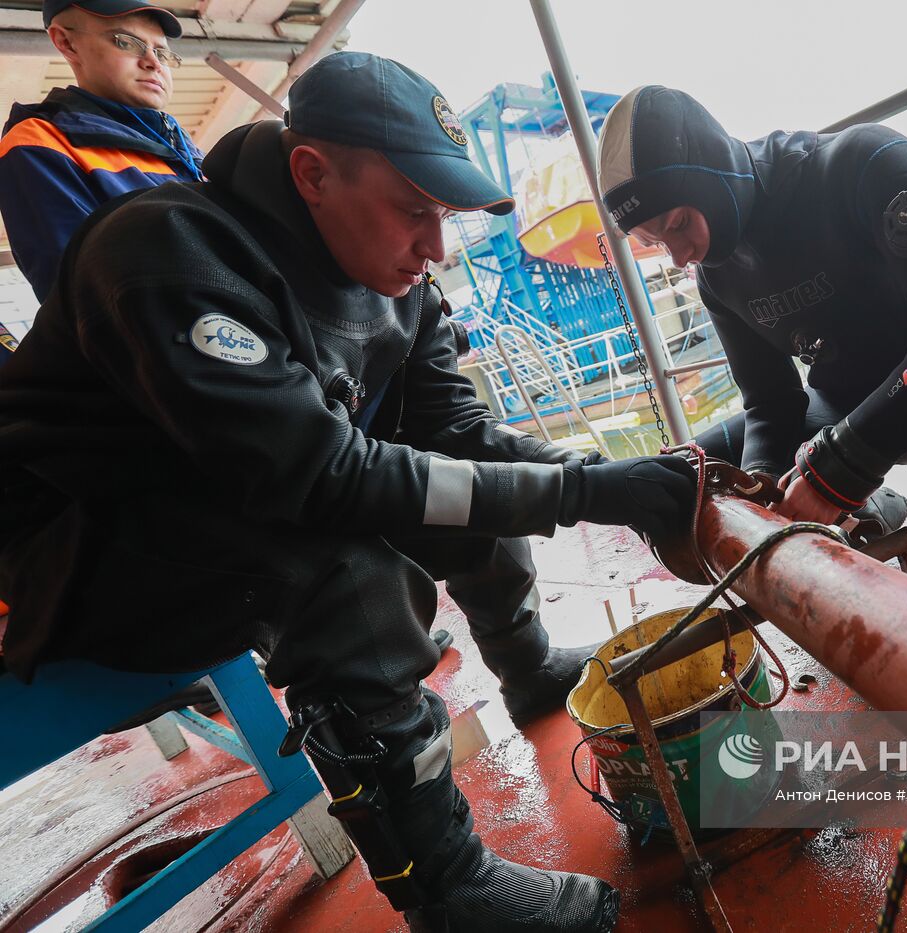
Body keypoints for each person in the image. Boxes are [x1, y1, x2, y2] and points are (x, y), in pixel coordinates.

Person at [0, 52, 702, 931]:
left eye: (442, 216)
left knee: (472, 488)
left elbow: (460, 439)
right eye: (415, 210)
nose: (434, 247)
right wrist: (590, 492)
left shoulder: (397, 279)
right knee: (344, 565)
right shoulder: (165, 253)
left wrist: (602, 478)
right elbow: (317, 477)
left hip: (210, 500)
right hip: (68, 552)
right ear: (312, 174)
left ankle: (525, 667)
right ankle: (450, 889)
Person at [597, 85, 907, 647]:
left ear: (714, 176)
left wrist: (842, 464)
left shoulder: (859, 166)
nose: (679, 255)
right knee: (693, 476)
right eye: (653, 242)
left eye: (677, 224)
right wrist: (765, 494)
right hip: (842, 403)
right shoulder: (719, 277)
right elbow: (769, 404)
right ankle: (870, 511)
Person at [0, 0, 204, 304]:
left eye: (161, 52)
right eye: (127, 42)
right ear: (67, 43)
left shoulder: (184, 149)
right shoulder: (42, 143)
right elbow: (90, 295)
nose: (153, 62)